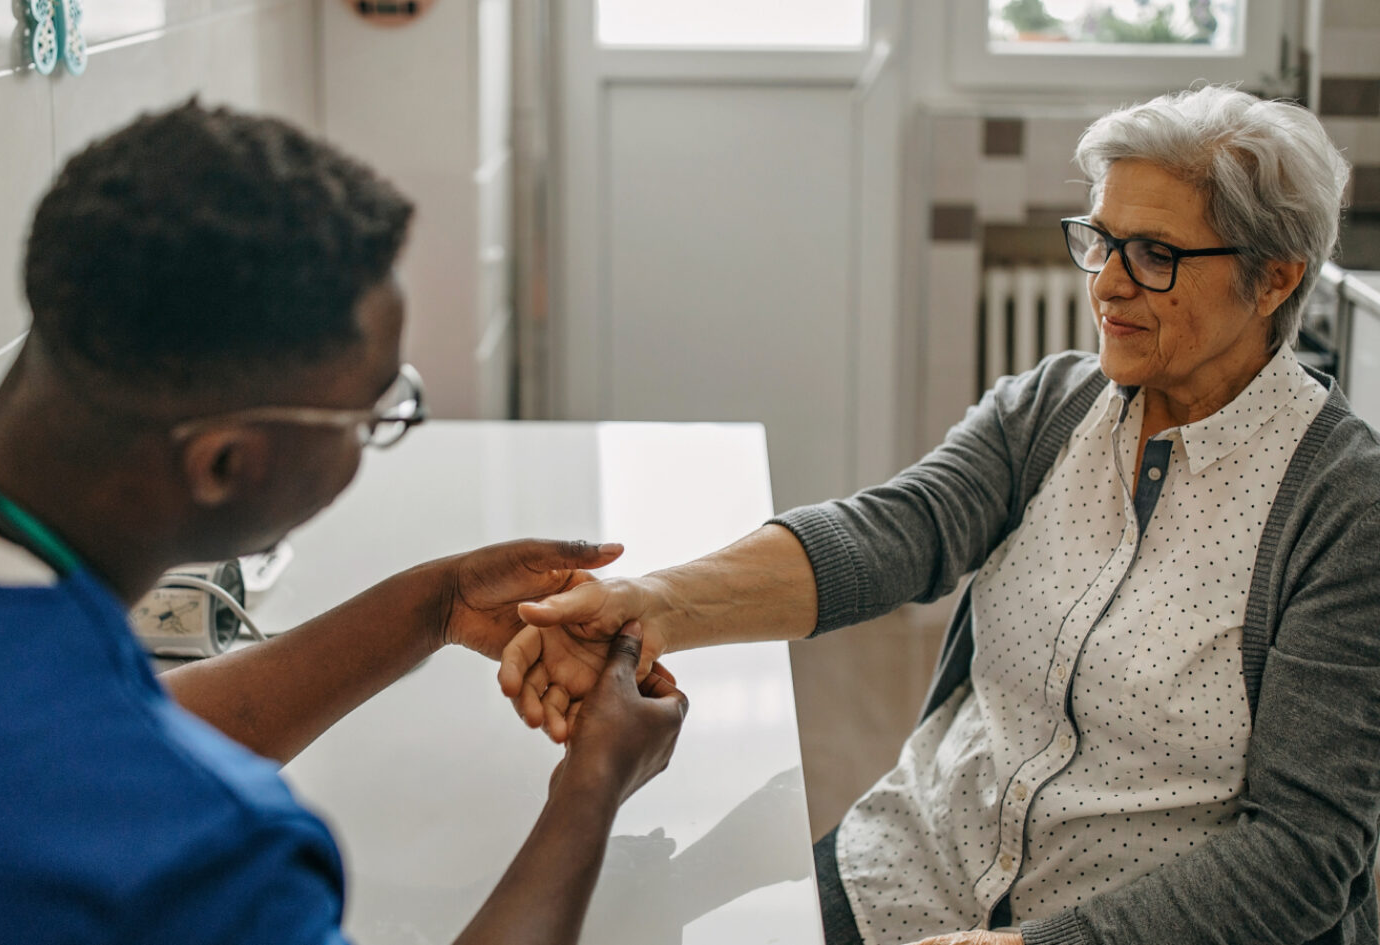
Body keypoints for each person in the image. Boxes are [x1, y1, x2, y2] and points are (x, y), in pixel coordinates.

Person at [0, 101, 687, 944]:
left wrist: (432, 604)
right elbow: (110, 787)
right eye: (371, 413)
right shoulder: (220, 853)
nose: (382, 432)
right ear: (224, 462)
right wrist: (594, 784)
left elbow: (68, 763)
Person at [499, 85, 1379, 945]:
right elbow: (895, 532)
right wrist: (651, 605)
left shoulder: (1343, 506)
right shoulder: (1053, 407)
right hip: (914, 871)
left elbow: (1303, 852)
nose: (1107, 283)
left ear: (1274, 281)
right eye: (1100, 239)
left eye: (1154, 254)